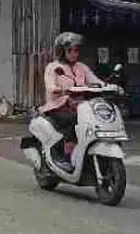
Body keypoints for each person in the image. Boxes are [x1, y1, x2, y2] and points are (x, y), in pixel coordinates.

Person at [39, 31, 105, 170]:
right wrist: (58, 90)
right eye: (70, 50)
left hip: (80, 106)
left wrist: (108, 86)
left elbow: (95, 80)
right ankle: (67, 156)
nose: (74, 53)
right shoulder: (53, 67)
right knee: (75, 120)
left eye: (76, 50)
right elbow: (50, 86)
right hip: (57, 106)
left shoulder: (82, 67)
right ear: (61, 51)